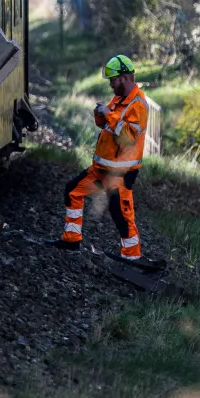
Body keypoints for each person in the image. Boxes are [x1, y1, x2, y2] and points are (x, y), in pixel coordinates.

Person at [52, 54, 154, 263]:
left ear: (125, 78)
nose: (110, 85)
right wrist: (100, 115)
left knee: (121, 212)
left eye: (113, 80)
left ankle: (133, 257)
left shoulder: (138, 105)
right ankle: (71, 240)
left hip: (120, 173)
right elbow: (108, 126)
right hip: (102, 168)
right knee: (73, 191)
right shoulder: (119, 99)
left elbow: (127, 137)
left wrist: (108, 114)